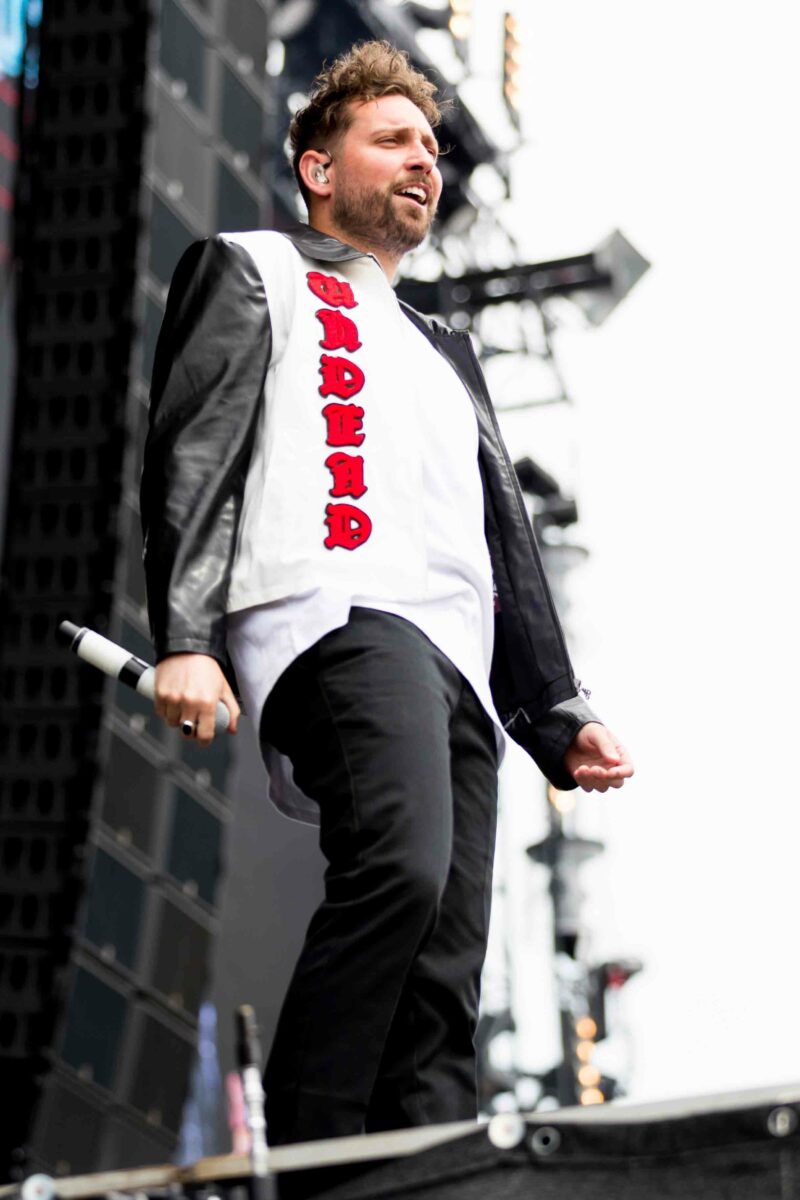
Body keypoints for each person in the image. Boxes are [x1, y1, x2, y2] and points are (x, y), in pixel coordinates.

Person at [140, 41, 633, 1146]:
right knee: (399, 871)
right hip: (334, 613)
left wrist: (555, 707)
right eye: (392, 140)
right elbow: (194, 451)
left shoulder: (444, 349)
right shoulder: (253, 267)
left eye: (431, 148)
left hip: (459, 661)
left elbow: (505, 546)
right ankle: (307, 1158)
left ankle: (425, 1170)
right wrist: (187, 634)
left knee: (445, 969)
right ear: (318, 168)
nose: (423, 161)